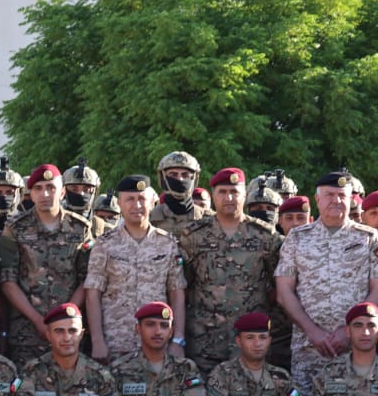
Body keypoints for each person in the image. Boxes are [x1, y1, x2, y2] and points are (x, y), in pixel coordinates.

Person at [275, 170, 378, 394]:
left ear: (351, 200)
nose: (336, 200)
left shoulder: (368, 238)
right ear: (317, 199)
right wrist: (312, 331)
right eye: (329, 195)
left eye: (342, 195)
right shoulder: (297, 238)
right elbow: (284, 292)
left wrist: (348, 331)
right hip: (308, 349)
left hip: (354, 349)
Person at [177, 167, 282, 372]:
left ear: (245, 195)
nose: (229, 198)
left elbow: (278, 285)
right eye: (222, 192)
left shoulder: (265, 236)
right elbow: (183, 285)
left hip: (251, 340)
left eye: (234, 192)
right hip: (204, 340)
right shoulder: (194, 236)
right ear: (214, 195)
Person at [0, 165, 102, 369]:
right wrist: (37, 320)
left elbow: (88, 279)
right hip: (27, 332)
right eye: (38, 188)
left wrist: (66, 317)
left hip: (70, 334)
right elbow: (7, 281)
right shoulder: (15, 228)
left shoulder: (80, 228)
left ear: (62, 192)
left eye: (51, 188)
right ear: (30, 193)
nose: (45, 194)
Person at [83, 175, 186, 364]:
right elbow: (92, 294)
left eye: (141, 199)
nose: (136, 205)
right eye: (130, 199)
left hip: (157, 343)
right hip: (115, 342)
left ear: (152, 202)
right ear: (119, 204)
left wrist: (178, 339)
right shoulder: (105, 244)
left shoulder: (167, 243)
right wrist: (97, 340)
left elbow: (176, 292)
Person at [150, 150, 212, 235]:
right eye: (173, 174)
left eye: (185, 175)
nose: (180, 179)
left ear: (194, 179)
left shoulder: (210, 220)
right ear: (163, 178)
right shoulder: (147, 220)